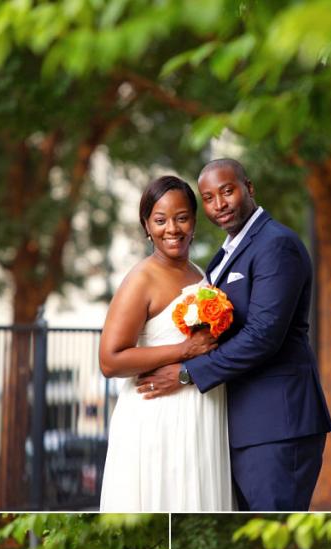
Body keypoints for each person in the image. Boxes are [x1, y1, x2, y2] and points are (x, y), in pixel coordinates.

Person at [136, 158, 331, 511]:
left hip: (276, 425)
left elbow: (263, 335)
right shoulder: (223, 256)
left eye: (227, 191)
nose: (219, 205)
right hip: (240, 425)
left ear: (249, 188)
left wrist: (186, 374)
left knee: (273, 532)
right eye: (209, 198)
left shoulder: (276, 245)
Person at [99, 175, 235, 511]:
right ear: (146, 226)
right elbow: (109, 360)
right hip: (158, 415)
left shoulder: (201, 273)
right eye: (160, 220)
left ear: (194, 221)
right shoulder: (140, 279)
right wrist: (184, 351)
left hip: (203, 414)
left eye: (181, 218)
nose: (171, 229)